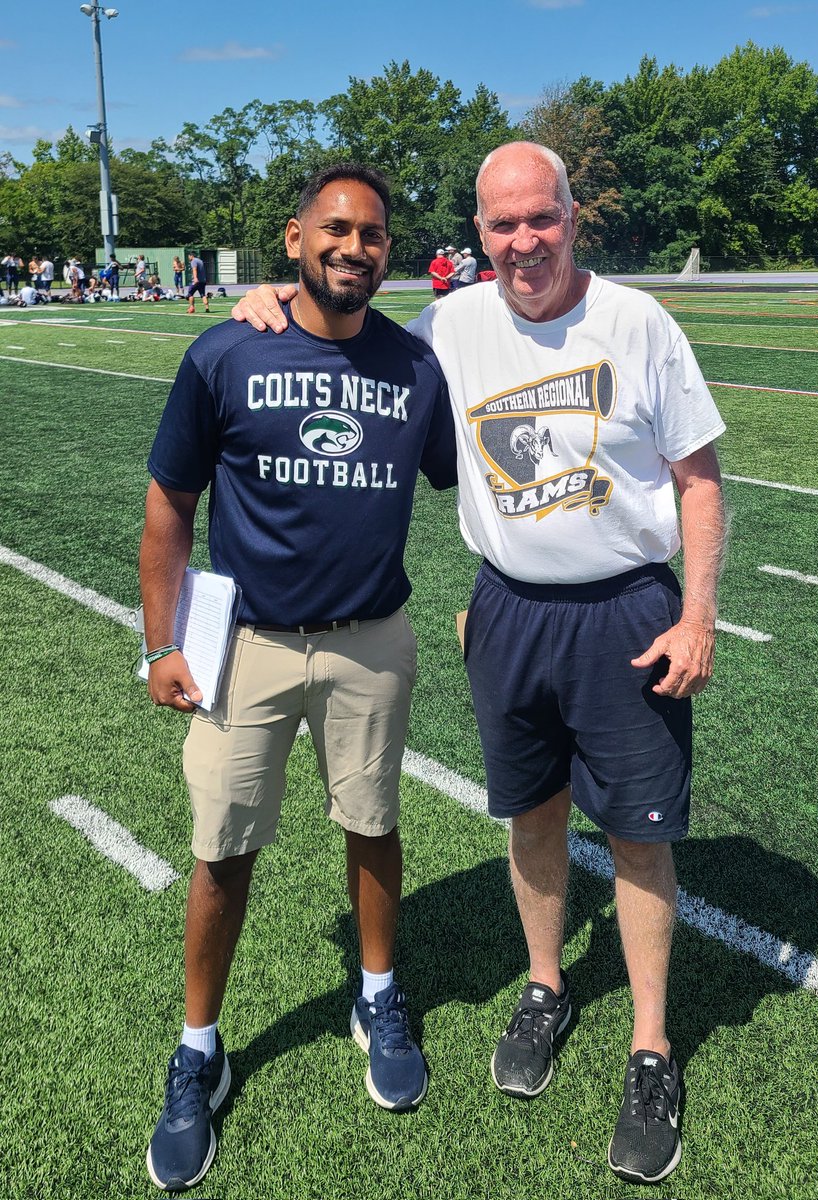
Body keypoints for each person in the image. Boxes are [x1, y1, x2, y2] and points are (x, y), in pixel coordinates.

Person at [233, 140, 726, 1188]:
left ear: (570, 216)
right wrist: (277, 296)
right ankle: (544, 986)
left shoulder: (637, 322)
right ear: (478, 233)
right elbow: (351, 350)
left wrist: (696, 616)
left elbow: (696, 479)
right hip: (506, 610)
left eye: (538, 219)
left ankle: (649, 1048)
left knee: (636, 838)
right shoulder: (451, 324)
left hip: (625, 611)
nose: (521, 242)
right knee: (531, 813)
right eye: (500, 225)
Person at [139, 162, 456, 1193]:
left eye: (370, 234)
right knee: (221, 849)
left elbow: (478, 477)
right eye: (333, 229)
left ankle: (376, 992)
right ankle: (199, 1049)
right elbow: (168, 505)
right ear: (292, 239)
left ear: (386, 253)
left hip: (371, 637)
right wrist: (160, 641)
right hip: (252, 646)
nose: (351, 247)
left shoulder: (415, 366)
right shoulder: (227, 348)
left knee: (371, 819)